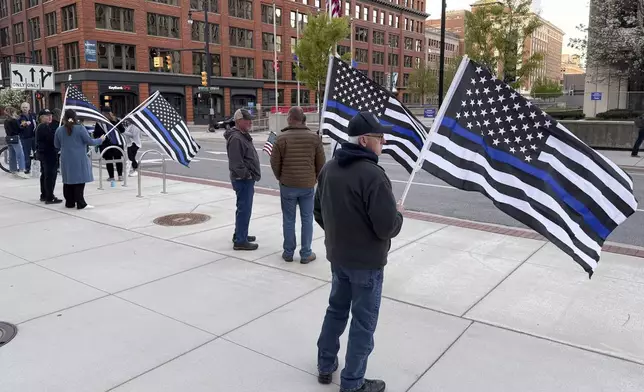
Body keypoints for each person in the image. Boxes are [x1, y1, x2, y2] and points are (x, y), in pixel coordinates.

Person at [314, 112, 404, 392]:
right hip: (366, 264)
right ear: (365, 140)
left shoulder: (329, 169)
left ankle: (326, 364)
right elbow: (387, 227)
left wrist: (339, 235)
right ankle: (352, 383)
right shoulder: (373, 175)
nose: (383, 142)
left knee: (336, 311)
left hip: (338, 258)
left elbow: (319, 212)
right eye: (379, 138)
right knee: (363, 324)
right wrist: (398, 215)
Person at [270, 106, 326, 263]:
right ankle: (306, 253)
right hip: (307, 186)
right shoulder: (314, 139)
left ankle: (288, 252)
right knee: (307, 219)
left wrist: (280, 177)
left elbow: (274, 162)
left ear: (289, 119)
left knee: (289, 219)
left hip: (287, 185)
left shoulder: (281, 138)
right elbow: (321, 164)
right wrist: (314, 178)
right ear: (304, 120)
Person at [224, 108, 261, 251]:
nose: (250, 123)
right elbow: (236, 163)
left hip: (244, 179)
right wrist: (248, 175)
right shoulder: (236, 138)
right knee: (244, 209)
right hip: (243, 180)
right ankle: (240, 240)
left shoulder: (242, 135)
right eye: (247, 120)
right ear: (239, 121)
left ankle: (240, 234)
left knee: (242, 209)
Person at [54, 109, 105, 210]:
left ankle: (69, 202)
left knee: (68, 180)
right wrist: (100, 140)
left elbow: (56, 145)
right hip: (79, 158)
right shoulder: (80, 128)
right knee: (79, 180)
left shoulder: (59, 130)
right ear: (75, 117)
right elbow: (89, 141)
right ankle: (81, 203)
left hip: (65, 158)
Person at [35, 109, 62, 204]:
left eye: (50, 115)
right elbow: (52, 139)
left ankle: (44, 194)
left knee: (45, 175)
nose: (50, 117)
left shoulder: (43, 126)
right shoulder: (43, 127)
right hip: (48, 154)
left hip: (44, 153)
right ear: (41, 117)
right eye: (47, 116)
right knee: (50, 176)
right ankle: (49, 197)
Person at [93, 107, 125, 182]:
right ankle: (120, 176)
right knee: (118, 159)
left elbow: (96, 134)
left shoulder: (100, 122)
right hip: (117, 143)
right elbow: (122, 130)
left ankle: (111, 177)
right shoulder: (116, 120)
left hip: (106, 144)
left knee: (108, 160)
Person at [4, 107, 29, 179]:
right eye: (14, 112)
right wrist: (25, 125)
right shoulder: (14, 120)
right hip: (15, 138)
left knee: (12, 155)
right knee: (20, 154)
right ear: (12, 113)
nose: (16, 113)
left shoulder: (6, 121)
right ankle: (21, 170)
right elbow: (19, 129)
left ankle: (13, 170)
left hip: (9, 138)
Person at [18, 102, 38, 174]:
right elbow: (19, 128)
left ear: (29, 108)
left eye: (26, 107)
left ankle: (38, 167)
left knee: (36, 152)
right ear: (21, 108)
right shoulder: (20, 117)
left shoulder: (33, 115)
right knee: (26, 153)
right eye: (23, 107)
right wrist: (24, 125)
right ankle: (27, 168)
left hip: (33, 136)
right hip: (25, 138)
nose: (25, 109)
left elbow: (37, 124)